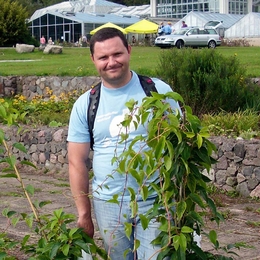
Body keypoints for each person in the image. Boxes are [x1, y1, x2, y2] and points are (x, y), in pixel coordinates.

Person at [67, 27, 181, 260]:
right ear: (93, 60)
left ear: (129, 51)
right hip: (108, 205)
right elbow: (76, 161)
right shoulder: (85, 104)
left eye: (117, 54)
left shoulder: (158, 91)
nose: (111, 62)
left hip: (156, 201)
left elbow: (181, 143)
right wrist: (84, 214)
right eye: (103, 57)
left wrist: (181, 199)